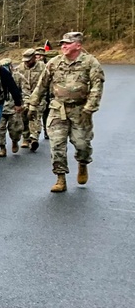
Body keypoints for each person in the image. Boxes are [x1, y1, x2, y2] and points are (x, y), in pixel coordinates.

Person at [27, 32, 105, 193]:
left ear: (78, 45)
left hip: (80, 110)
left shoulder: (90, 62)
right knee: (56, 145)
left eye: (68, 43)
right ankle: (60, 178)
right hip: (58, 109)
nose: (63, 46)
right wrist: (33, 105)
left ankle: (83, 163)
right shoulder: (55, 63)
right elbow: (41, 85)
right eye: (62, 43)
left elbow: (97, 86)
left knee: (82, 144)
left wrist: (90, 107)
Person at [16, 48, 46, 151]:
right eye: (25, 60)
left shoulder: (43, 67)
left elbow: (47, 82)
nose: (27, 62)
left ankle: (34, 138)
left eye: (29, 60)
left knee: (35, 115)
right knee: (24, 116)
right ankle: (26, 137)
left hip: (39, 96)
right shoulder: (19, 68)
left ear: (34, 58)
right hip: (24, 96)